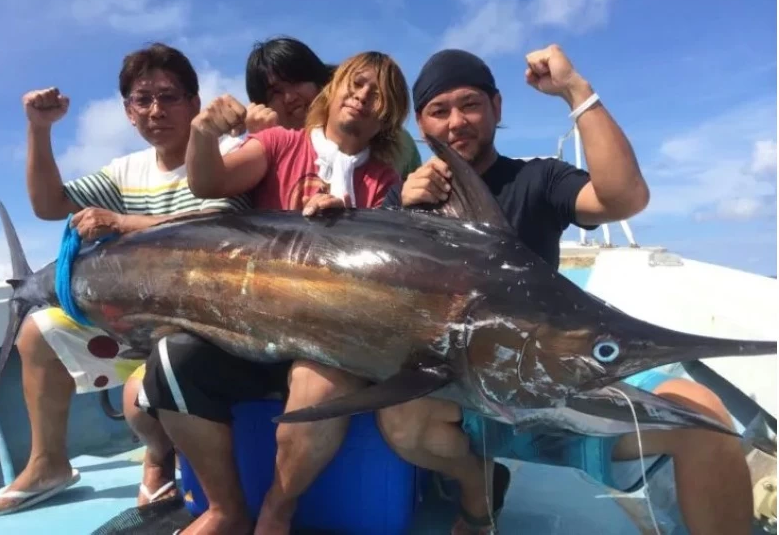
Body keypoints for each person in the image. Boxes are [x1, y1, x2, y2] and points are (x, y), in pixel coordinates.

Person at [377, 46, 751, 535]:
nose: (456, 122)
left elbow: (625, 196)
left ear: (497, 106)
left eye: (469, 104)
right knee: (401, 421)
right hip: (464, 394)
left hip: (554, 391)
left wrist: (575, 88)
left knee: (705, 421)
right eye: (439, 111)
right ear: (422, 126)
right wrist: (396, 215)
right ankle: (478, 489)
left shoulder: (538, 179)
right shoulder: (405, 199)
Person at [137, 50, 410, 535]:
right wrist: (203, 133)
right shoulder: (281, 143)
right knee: (172, 360)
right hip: (253, 331)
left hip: (330, 341)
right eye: (358, 83)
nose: (365, 96)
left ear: (389, 116)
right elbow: (208, 181)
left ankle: (275, 512)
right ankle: (225, 509)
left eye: (381, 94)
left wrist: (346, 221)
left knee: (319, 386)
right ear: (336, 87)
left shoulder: (386, 181)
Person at [0, 43, 250, 518]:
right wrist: (39, 130)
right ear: (127, 111)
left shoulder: (222, 155)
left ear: (193, 101)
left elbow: (215, 234)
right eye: (142, 100)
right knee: (38, 332)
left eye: (168, 97)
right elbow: (48, 205)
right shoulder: (127, 170)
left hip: (199, 326)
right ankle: (47, 464)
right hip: (134, 323)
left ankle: (157, 456)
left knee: (136, 406)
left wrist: (123, 223)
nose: (155, 111)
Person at [244, 36, 422, 179]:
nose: (290, 98)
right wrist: (257, 145)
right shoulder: (255, 147)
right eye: (275, 92)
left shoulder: (398, 142)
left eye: (296, 81)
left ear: (322, 82)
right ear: (261, 106)